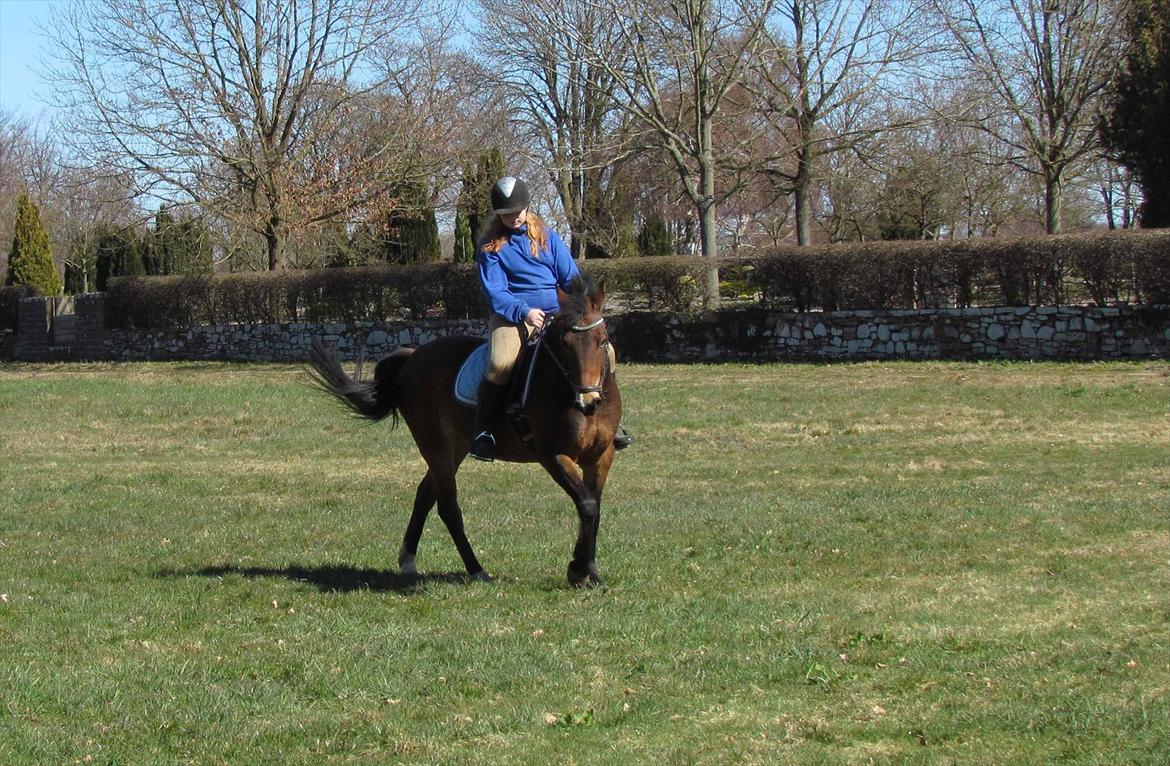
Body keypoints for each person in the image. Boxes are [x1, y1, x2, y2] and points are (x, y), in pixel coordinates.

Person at [470, 176, 633, 461]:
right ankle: (485, 432)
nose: (513, 217)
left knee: (607, 351)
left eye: (517, 211)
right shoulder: (489, 247)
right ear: (497, 215)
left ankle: (608, 422)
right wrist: (525, 312)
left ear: (527, 207)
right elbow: (496, 292)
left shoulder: (547, 237)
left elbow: (569, 277)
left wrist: (586, 302)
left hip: (557, 315)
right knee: (499, 363)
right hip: (513, 317)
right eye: (506, 213)